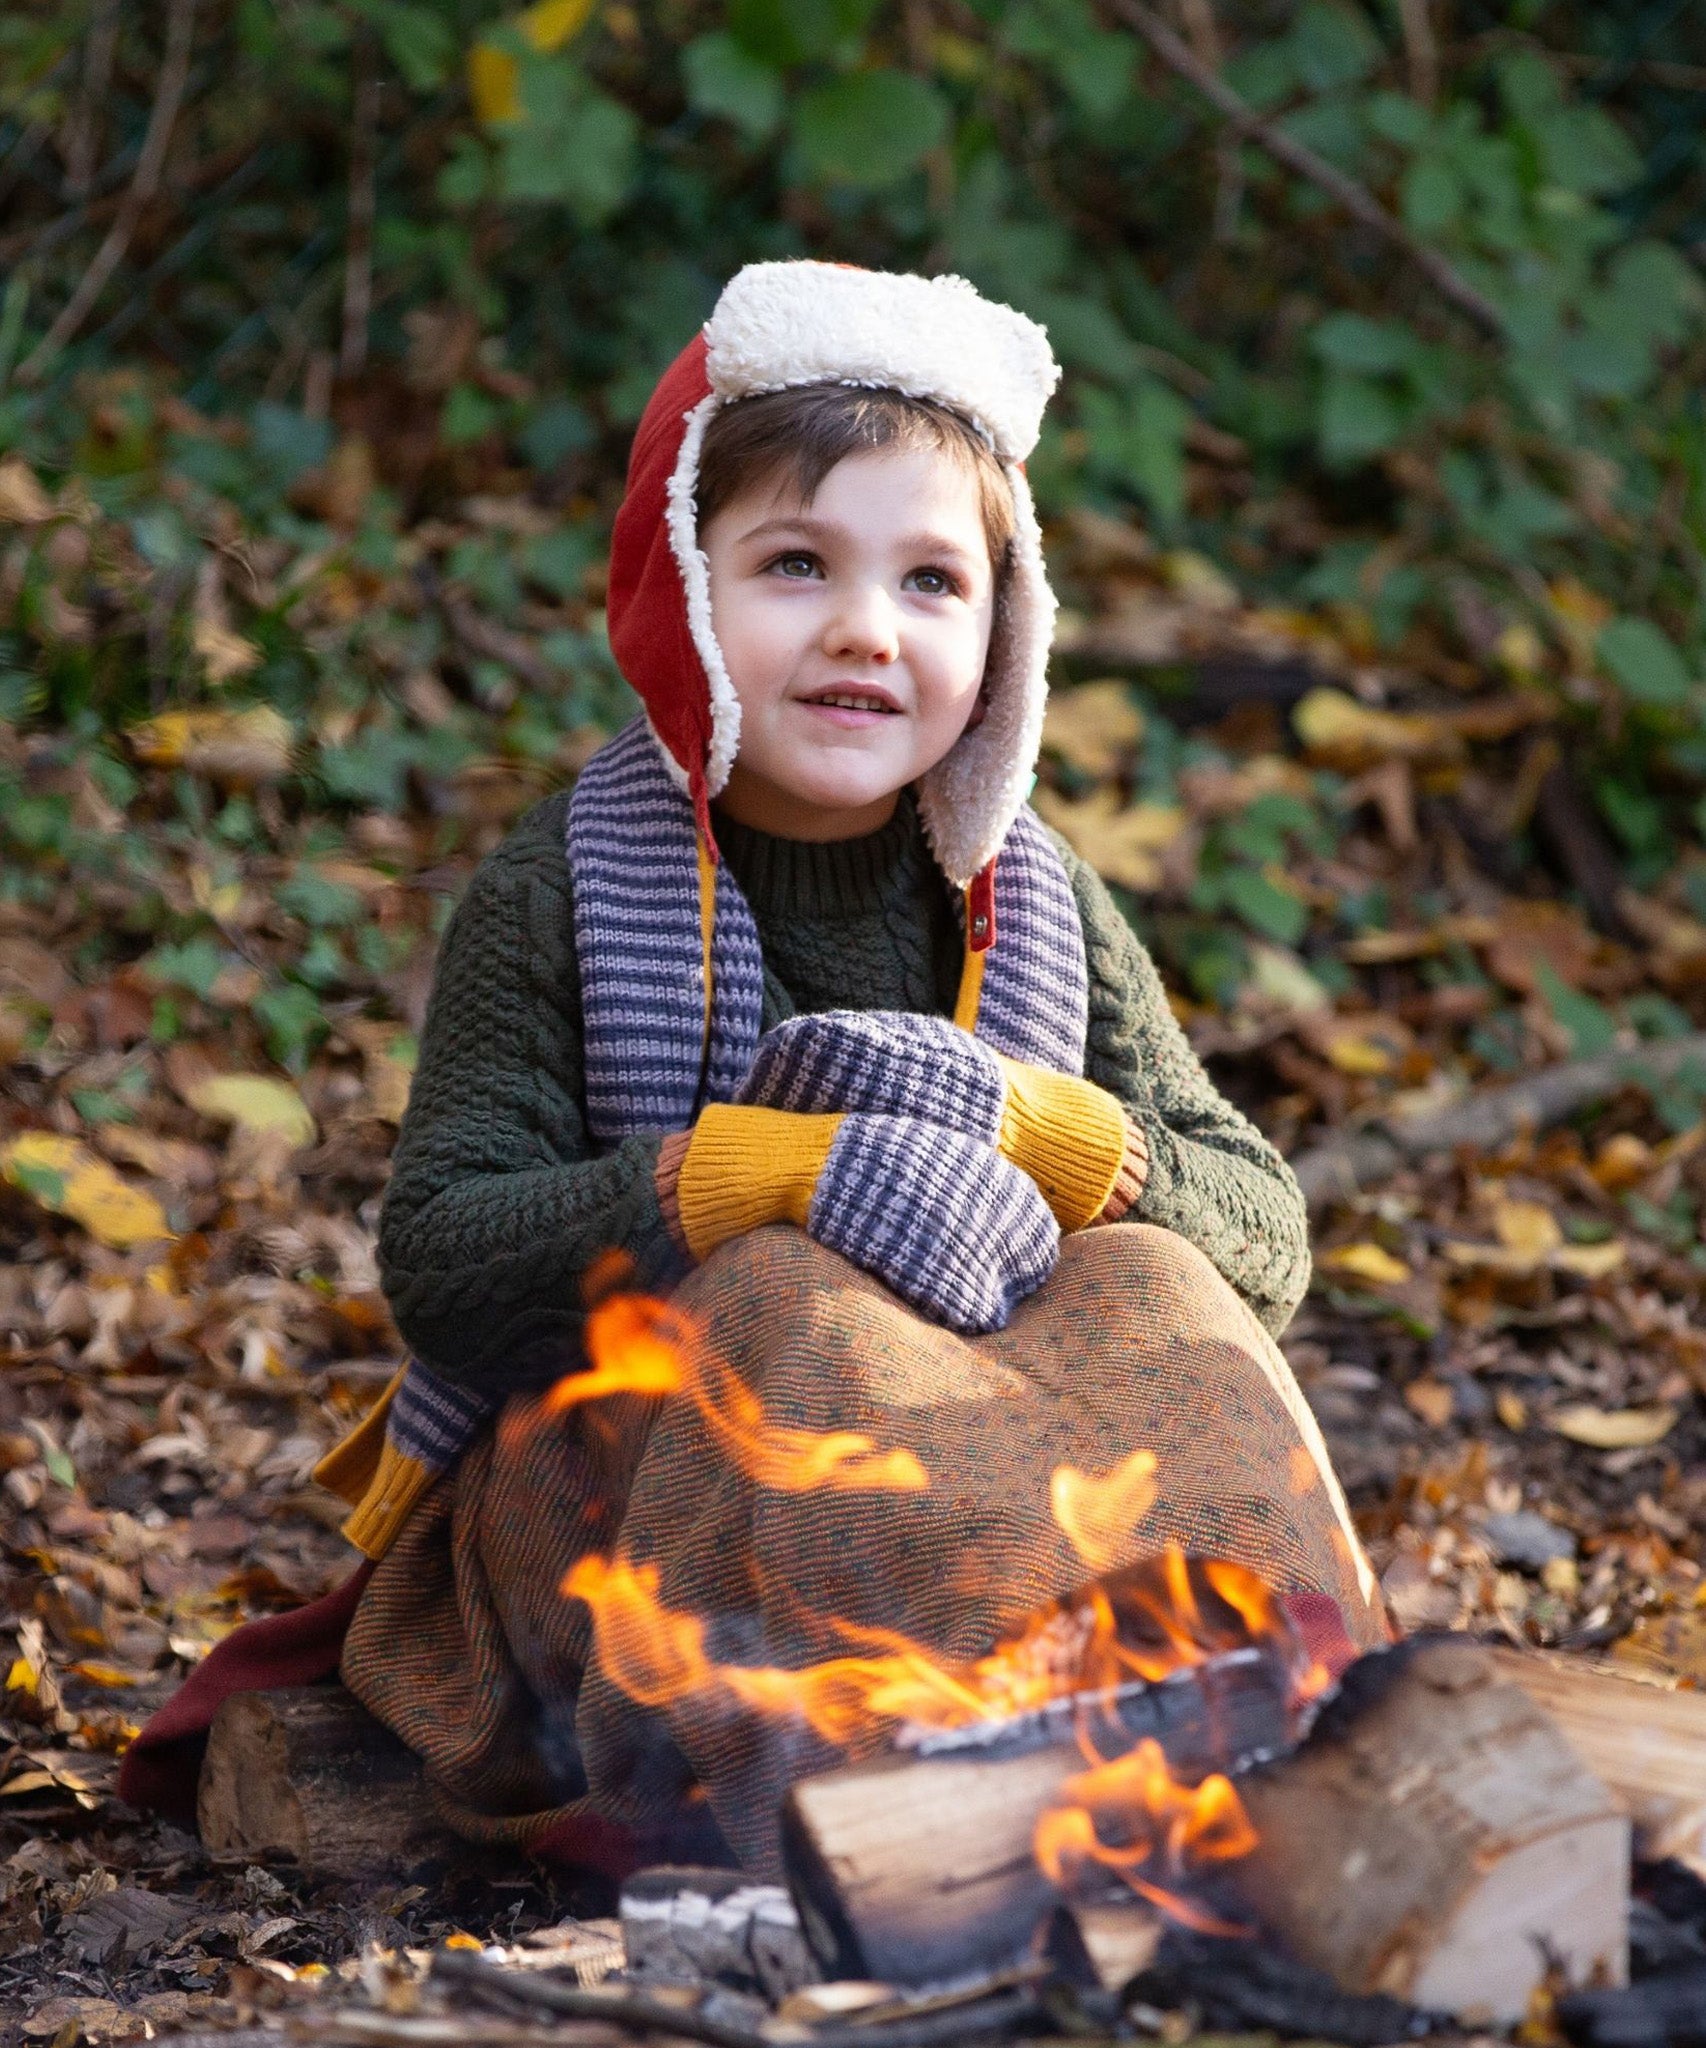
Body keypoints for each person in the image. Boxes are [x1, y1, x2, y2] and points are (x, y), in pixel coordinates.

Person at [314, 262, 1386, 1875]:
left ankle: (1291, 1723)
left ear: (1004, 631)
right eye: (794, 565)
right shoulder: (563, 888)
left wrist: (1054, 1140)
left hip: (1006, 1487)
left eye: (931, 583)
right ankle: (913, 1804)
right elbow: (443, 1266)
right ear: (680, 589)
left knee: (1154, 1284)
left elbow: (1262, 1239)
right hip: (624, 1529)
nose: (862, 633)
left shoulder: (1034, 900)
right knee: (790, 1301)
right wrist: (757, 1179)